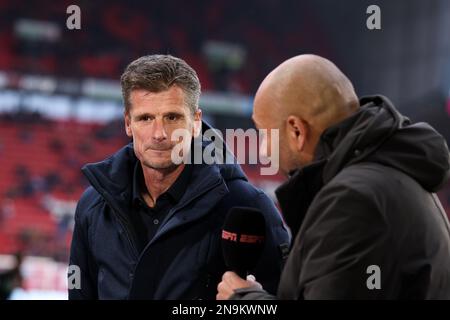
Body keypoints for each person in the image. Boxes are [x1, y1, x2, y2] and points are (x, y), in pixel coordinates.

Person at [217, 54, 450, 300]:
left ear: (297, 130)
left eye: (264, 134)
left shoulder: (352, 199)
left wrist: (244, 301)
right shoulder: (392, 176)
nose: (263, 150)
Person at [68, 54, 290, 300]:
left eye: (172, 117)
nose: (159, 134)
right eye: (145, 118)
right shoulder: (93, 206)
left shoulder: (248, 206)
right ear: (128, 123)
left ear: (196, 122)